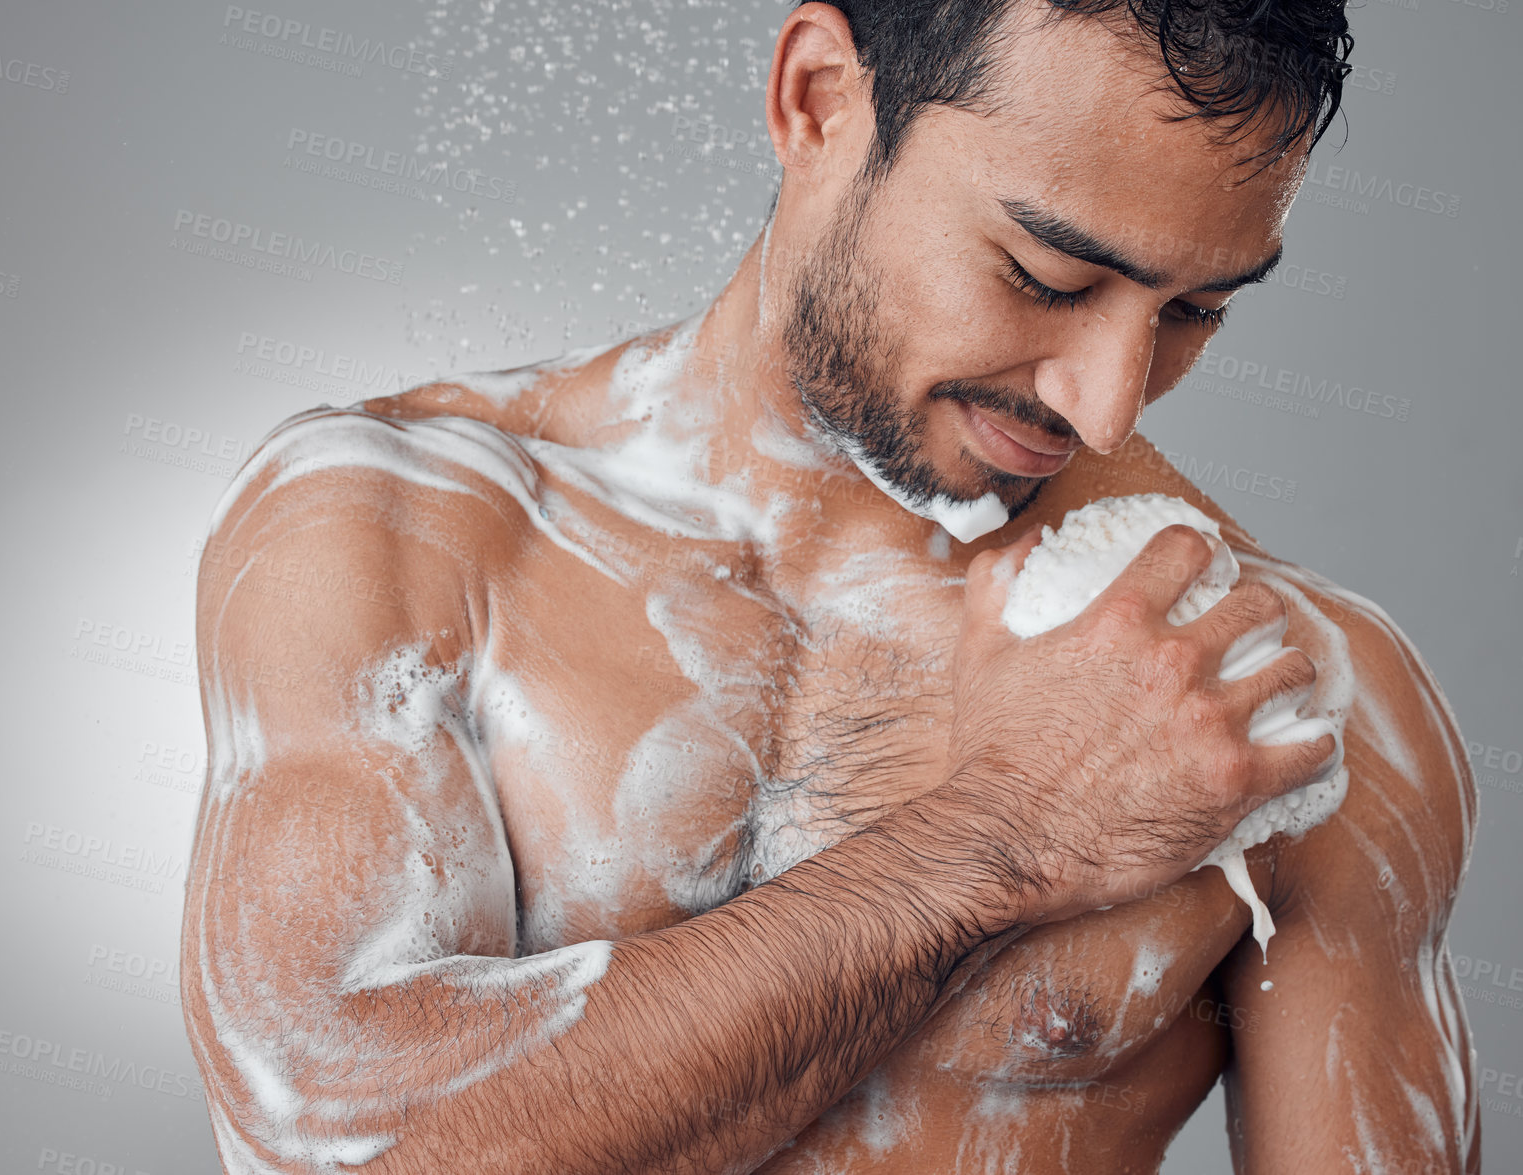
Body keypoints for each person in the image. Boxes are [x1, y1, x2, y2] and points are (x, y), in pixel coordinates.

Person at [179, 1, 1480, 1170]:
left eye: (1195, 311)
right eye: (1046, 278)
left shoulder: (1278, 695)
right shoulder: (399, 528)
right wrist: (1003, 837)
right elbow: (346, 1148)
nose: (1105, 400)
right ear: (816, 101)